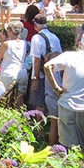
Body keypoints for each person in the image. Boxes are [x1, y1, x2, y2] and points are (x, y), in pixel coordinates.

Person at [43, 30, 84, 151]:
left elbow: (47, 66)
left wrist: (56, 88)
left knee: (68, 145)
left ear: (80, 44)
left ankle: (69, 166)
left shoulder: (69, 56)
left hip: (67, 105)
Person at [28, 12, 62, 144]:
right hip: (54, 74)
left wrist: (35, 78)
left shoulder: (37, 38)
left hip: (42, 75)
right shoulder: (54, 37)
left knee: (39, 105)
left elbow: (36, 60)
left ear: (35, 25)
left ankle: (40, 134)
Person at [0, 21, 28, 96]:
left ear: (9, 31)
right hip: (22, 72)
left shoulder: (6, 44)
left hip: (8, 73)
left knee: (5, 98)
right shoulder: (24, 43)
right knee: (20, 98)